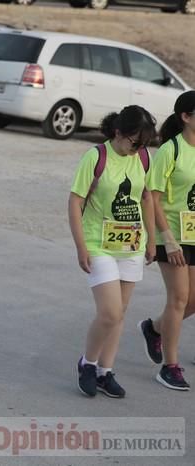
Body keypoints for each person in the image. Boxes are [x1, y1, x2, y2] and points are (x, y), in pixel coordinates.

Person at [68, 105, 157, 398]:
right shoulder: (96, 157)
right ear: (118, 132)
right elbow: (74, 202)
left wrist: (152, 239)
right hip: (98, 243)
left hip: (131, 245)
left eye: (143, 144)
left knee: (121, 314)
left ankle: (106, 372)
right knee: (110, 312)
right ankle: (88, 363)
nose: (138, 149)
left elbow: (146, 198)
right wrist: (81, 246)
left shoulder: (143, 157)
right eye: (134, 142)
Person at [139, 90, 195, 391]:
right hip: (171, 234)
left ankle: (154, 328)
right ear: (185, 117)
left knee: (193, 300)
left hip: (194, 233)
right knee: (179, 298)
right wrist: (168, 240)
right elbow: (153, 199)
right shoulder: (170, 151)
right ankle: (170, 367)